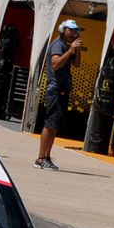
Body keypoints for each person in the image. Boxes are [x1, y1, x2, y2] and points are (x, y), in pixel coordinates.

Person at [34, 19, 84, 170]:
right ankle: (41, 158)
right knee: (50, 124)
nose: (73, 33)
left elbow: (77, 64)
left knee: (54, 125)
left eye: (75, 31)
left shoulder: (67, 46)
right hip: (55, 89)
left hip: (62, 89)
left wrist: (77, 49)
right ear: (63, 30)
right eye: (71, 30)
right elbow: (55, 64)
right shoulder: (58, 45)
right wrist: (70, 51)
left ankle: (47, 156)